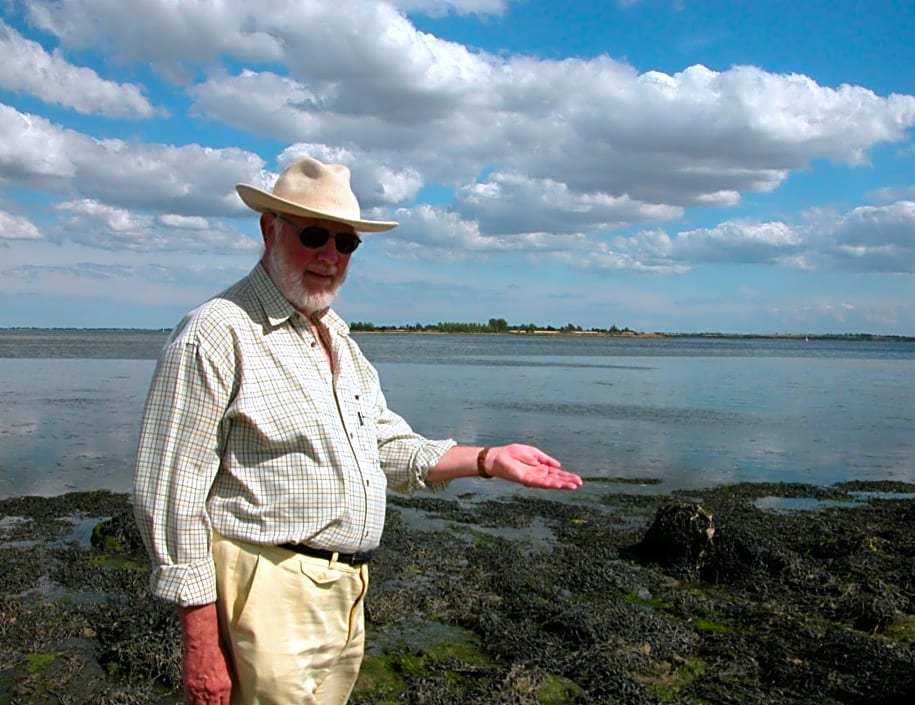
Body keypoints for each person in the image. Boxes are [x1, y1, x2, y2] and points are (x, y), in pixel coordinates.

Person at [133, 155, 583, 705]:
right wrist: (201, 647)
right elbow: (169, 496)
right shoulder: (215, 333)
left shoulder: (337, 337)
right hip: (266, 589)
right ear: (269, 228)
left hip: (347, 591)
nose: (330, 256)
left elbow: (385, 445)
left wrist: (488, 459)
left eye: (346, 243)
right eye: (315, 235)